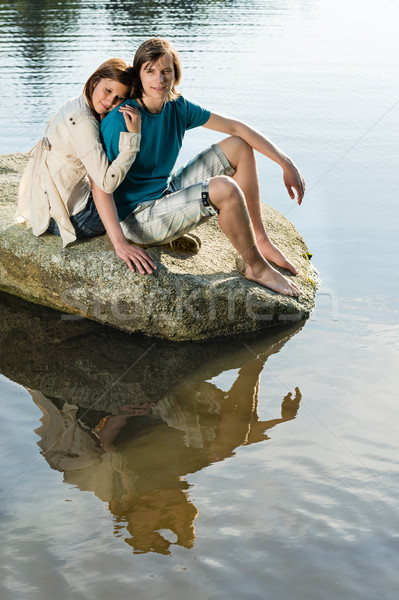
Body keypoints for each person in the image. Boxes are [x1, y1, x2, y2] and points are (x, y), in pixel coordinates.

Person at [93, 39, 306, 296]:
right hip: (137, 218)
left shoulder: (177, 107)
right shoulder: (122, 120)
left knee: (239, 146)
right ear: (138, 75)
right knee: (224, 189)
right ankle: (256, 268)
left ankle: (260, 241)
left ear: (175, 74)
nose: (159, 79)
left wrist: (286, 162)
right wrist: (119, 243)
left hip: (163, 194)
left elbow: (236, 128)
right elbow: (100, 184)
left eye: (166, 71)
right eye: (150, 71)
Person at [17, 58, 148, 250]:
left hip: (47, 211)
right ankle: (160, 228)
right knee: (134, 190)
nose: (109, 102)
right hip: (76, 220)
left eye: (119, 98)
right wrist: (133, 139)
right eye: (108, 90)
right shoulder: (83, 121)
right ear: (95, 81)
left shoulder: (75, 103)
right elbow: (106, 183)